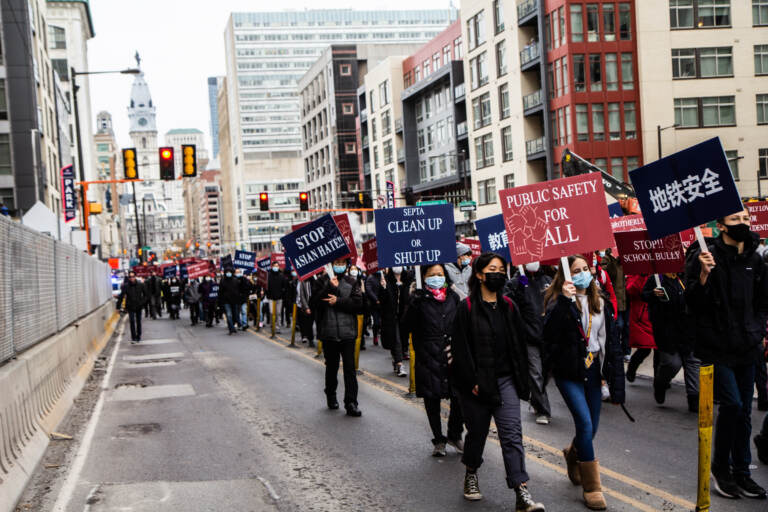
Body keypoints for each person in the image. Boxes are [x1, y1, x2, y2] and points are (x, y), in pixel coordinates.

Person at [450, 252, 545, 511]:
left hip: (506, 382)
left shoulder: (509, 306)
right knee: (477, 434)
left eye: (502, 270)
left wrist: (521, 379)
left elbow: (519, 343)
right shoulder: (466, 308)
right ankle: (471, 473)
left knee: (512, 435)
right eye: (492, 269)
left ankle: (521, 491)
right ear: (479, 275)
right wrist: (473, 381)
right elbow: (460, 351)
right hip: (476, 386)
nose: (498, 274)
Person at [686, 209, 768, 500]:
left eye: (746, 220)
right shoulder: (704, 256)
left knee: (745, 412)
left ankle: (742, 472)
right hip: (716, 347)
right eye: (736, 220)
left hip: (747, 346)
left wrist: (757, 331)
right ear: (720, 226)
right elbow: (692, 303)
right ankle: (721, 469)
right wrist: (704, 274)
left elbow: (762, 302)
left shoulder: (755, 260)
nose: (743, 224)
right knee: (731, 405)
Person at [542, 255, 625, 511]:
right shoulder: (558, 302)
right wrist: (565, 303)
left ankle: (572, 453)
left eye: (585, 269)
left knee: (591, 429)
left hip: (593, 372)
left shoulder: (601, 302)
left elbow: (608, 343)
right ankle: (593, 488)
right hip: (569, 374)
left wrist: (610, 375)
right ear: (565, 275)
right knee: (585, 424)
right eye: (576, 270)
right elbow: (548, 334)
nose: (581, 274)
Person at [402, 263, 464, 457]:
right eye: (432, 274)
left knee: (459, 398)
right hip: (428, 356)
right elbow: (405, 326)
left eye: (440, 274)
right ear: (424, 276)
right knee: (432, 400)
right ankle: (439, 439)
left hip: (452, 355)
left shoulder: (453, 296)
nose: (436, 277)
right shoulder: (418, 299)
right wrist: (414, 303)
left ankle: (455, 434)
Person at [311, 257, 363, 417]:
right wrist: (330, 287)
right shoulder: (321, 281)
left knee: (350, 369)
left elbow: (359, 305)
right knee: (332, 367)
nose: (339, 266)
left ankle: (351, 402)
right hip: (329, 333)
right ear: (331, 265)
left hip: (348, 333)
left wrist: (338, 301)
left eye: (342, 264)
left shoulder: (352, 282)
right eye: (336, 264)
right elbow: (314, 302)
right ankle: (331, 395)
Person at [641, 273, 700, 411]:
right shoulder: (656, 278)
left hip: (687, 330)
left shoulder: (685, 277)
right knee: (672, 364)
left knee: (692, 364)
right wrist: (653, 294)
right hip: (667, 332)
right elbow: (644, 295)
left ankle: (694, 399)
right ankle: (660, 383)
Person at [509, 261, 553, 425]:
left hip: (548, 337)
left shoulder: (548, 280)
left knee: (546, 373)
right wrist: (520, 287)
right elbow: (510, 306)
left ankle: (535, 399)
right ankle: (543, 410)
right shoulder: (515, 283)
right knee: (536, 373)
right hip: (529, 337)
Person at [379, 266, 413, 377]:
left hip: (405, 316)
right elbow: (382, 301)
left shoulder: (409, 279)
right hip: (391, 316)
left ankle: (396, 359)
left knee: (403, 340)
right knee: (395, 339)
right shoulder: (386, 280)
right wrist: (383, 288)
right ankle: (399, 364)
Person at [624, 274, 656, 383]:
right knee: (645, 349)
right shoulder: (636, 273)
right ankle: (632, 368)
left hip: (657, 315)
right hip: (641, 315)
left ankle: (659, 380)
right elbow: (630, 290)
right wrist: (641, 275)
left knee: (659, 350)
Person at [601, 249, 629, 360]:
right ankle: (616, 349)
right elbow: (609, 273)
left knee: (627, 326)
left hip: (625, 299)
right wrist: (613, 259)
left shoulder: (624, 258)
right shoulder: (607, 259)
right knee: (619, 325)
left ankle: (626, 351)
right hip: (615, 299)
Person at [117, 271, 149, 343]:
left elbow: (146, 296)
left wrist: (142, 303)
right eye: (130, 277)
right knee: (131, 321)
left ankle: (138, 336)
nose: (132, 278)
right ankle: (133, 337)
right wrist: (118, 307)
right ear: (129, 278)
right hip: (130, 306)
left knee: (138, 321)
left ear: (135, 276)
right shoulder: (125, 286)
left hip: (138, 306)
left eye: (133, 276)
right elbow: (121, 296)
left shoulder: (141, 285)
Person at [219, 267, 241, 335]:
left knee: (235, 315)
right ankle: (231, 328)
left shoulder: (235, 280)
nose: (228, 273)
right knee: (228, 315)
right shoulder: (222, 281)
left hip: (234, 301)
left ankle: (233, 325)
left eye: (230, 272)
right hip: (226, 301)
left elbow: (239, 289)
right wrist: (221, 301)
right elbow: (220, 292)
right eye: (227, 272)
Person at [365, 270, 382, 346]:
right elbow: (369, 290)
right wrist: (376, 299)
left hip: (383, 303)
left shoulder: (382, 277)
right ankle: (375, 336)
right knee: (376, 322)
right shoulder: (370, 278)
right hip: (374, 304)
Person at [267, 262, 285, 332]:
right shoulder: (268, 275)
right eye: (274, 266)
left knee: (278, 312)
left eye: (277, 266)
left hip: (279, 297)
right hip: (271, 297)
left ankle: (278, 326)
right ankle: (272, 324)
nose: (276, 267)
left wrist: (282, 294)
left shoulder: (281, 276)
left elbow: (284, 286)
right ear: (272, 266)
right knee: (271, 312)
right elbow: (266, 286)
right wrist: (267, 294)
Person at [298, 274, 315, 347]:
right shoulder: (303, 281)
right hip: (308, 305)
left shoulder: (317, 280)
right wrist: (306, 307)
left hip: (316, 305)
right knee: (309, 324)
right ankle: (310, 339)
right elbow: (302, 296)